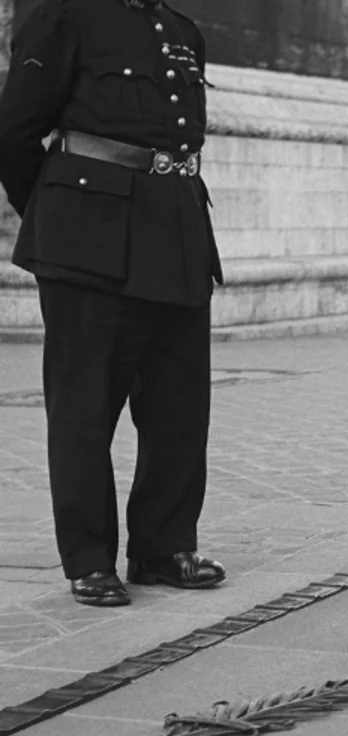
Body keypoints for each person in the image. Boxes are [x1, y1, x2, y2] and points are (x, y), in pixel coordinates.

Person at [0, 0, 227, 606]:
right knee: (84, 406)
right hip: (87, 240)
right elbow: (16, 131)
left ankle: (162, 546)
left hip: (176, 232)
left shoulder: (182, 31)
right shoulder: (63, 17)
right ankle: (89, 558)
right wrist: (62, 220)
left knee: (180, 404)